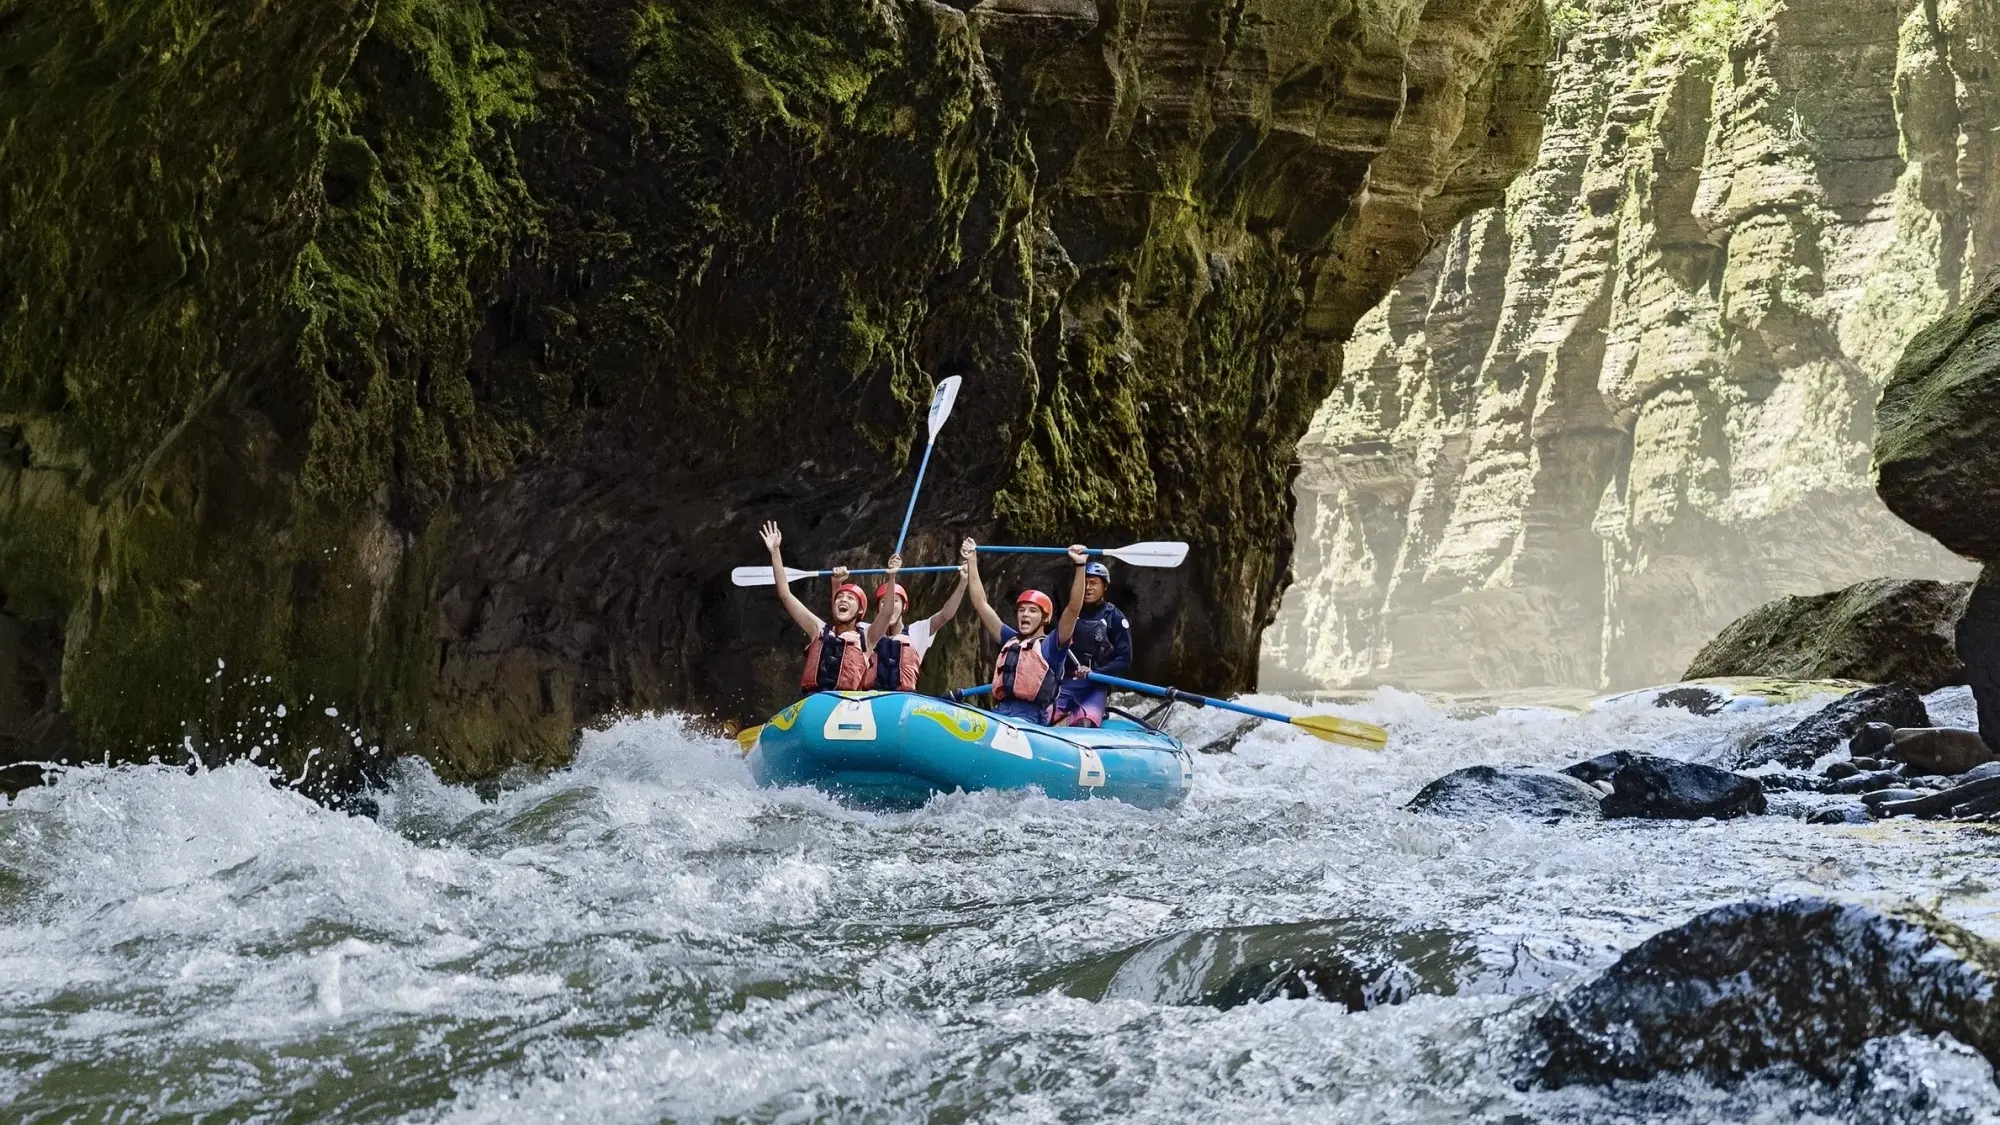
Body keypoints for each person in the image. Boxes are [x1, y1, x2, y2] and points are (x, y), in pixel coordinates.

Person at [964, 536, 1089, 724]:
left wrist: (1080, 567)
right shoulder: (1010, 639)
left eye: (1032, 611)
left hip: (1030, 718)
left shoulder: (1052, 645)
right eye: (1022, 610)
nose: (1025, 615)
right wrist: (972, 560)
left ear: (1045, 618)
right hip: (1000, 712)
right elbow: (981, 604)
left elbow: (1073, 608)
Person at [758, 520, 873, 692]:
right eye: (840, 597)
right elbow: (785, 595)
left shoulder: (868, 638)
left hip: (847, 704)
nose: (843, 600)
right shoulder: (818, 629)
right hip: (814, 699)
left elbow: (887, 614)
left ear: (861, 609)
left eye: (850, 598)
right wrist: (775, 552)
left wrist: (893, 576)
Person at [866, 552, 969, 691]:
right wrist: (837, 583)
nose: (888, 605)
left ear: (904, 606)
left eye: (895, 600)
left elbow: (946, 615)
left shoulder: (917, 631)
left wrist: (963, 583)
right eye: (883, 602)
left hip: (902, 697)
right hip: (870, 697)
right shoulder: (866, 631)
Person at [1052, 560, 1132, 727]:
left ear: (1105, 586)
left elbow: (1124, 659)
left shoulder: (1115, 618)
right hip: (1065, 682)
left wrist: (1095, 672)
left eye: (1094, 583)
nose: (1088, 588)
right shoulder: (1070, 613)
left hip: (1095, 685)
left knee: (1085, 724)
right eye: (1084, 583)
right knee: (1042, 715)